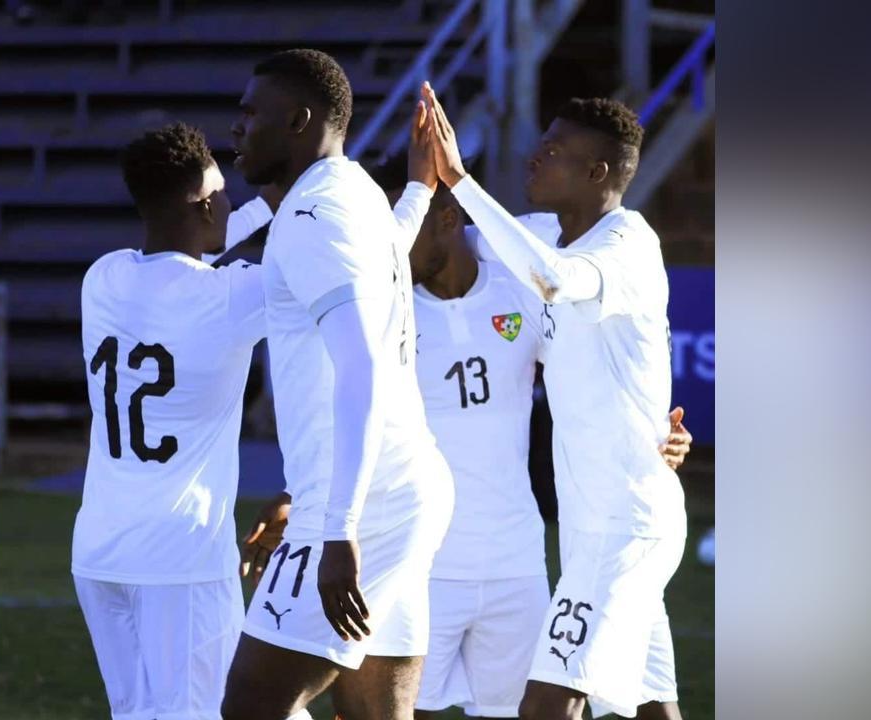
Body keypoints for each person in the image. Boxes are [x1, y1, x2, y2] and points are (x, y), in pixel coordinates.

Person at [369, 154, 693, 720]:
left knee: (534, 708)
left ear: (447, 219)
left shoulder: (519, 288)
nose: (388, 245)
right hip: (423, 563)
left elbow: (600, 358)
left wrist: (654, 428)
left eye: (405, 221)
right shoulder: (382, 313)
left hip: (516, 563)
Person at [219, 49, 449, 720]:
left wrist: (337, 525)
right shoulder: (354, 194)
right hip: (403, 484)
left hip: (362, 506)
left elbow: (362, 366)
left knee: (251, 707)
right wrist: (419, 191)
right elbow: (389, 257)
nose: (236, 128)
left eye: (251, 113)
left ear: (298, 121)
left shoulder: (313, 217)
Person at [72, 121, 274, 720]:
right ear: (206, 205)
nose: (232, 202)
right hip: (180, 557)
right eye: (224, 194)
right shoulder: (231, 296)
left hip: (101, 552)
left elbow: (193, 247)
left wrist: (263, 205)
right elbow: (327, 263)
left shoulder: (103, 276)